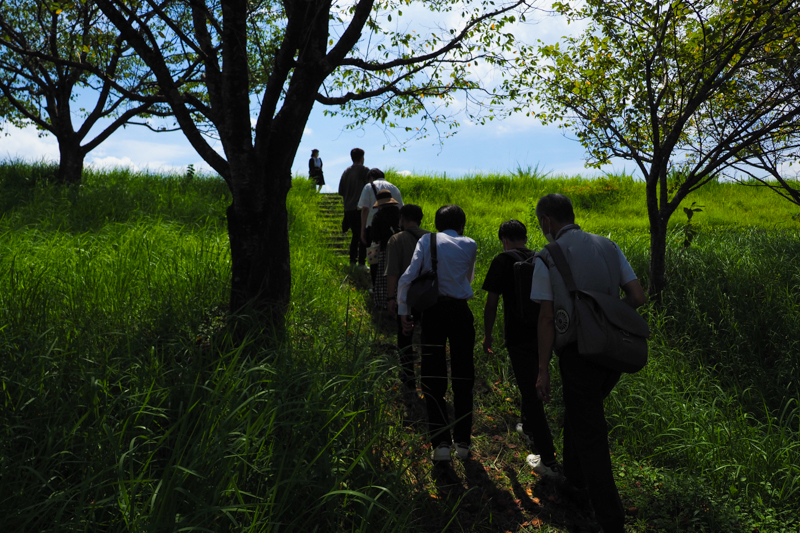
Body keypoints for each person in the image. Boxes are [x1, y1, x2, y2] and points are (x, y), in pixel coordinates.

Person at [532, 194, 646, 533]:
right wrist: (608, 318)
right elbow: (638, 296)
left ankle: (610, 519)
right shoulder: (608, 246)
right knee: (581, 416)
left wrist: (542, 370)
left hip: (578, 354)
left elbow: (546, 318)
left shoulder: (548, 255)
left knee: (591, 432)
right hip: (611, 354)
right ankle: (575, 481)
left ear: (547, 222)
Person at [397, 205, 477, 463]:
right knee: (464, 375)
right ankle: (463, 443)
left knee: (433, 375)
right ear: (462, 224)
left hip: (433, 311)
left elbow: (408, 277)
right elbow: (468, 278)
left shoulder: (427, 239)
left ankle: (441, 443)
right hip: (461, 312)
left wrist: (403, 311)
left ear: (436, 223)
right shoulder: (470, 243)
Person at [480, 220, 560, 478]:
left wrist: (488, 335)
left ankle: (547, 459)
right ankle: (527, 428)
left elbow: (491, 304)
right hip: (544, 333)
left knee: (530, 389)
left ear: (503, 238)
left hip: (517, 335)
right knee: (531, 381)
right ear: (525, 237)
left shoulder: (502, 261)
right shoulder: (540, 258)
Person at [386, 204, 430, 393]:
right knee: (428, 338)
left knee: (405, 338)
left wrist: (390, 298)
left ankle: (408, 378)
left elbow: (393, 273)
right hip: (429, 295)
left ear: (402, 218)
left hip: (407, 297)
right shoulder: (432, 237)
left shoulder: (396, 239)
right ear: (420, 218)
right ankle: (430, 379)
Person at [358, 168, 403, 286]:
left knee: (375, 259)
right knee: (393, 259)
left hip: (373, 228)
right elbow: (400, 210)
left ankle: (376, 285)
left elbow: (365, 209)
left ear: (371, 177)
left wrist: (362, 230)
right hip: (393, 229)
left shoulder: (368, 186)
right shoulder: (394, 188)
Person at [338, 148, 370, 268]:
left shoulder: (346, 171)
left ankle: (352, 261)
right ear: (362, 157)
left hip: (348, 208)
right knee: (362, 234)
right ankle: (361, 262)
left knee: (355, 235)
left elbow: (341, 191)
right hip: (359, 208)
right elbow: (369, 187)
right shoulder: (364, 170)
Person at [369, 190, 401, 310]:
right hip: (399, 248)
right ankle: (400, 301)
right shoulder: (399, 213)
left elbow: (374, 236)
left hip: (385, 249)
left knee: (384, 277)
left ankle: (384, 303)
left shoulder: (378, 215)